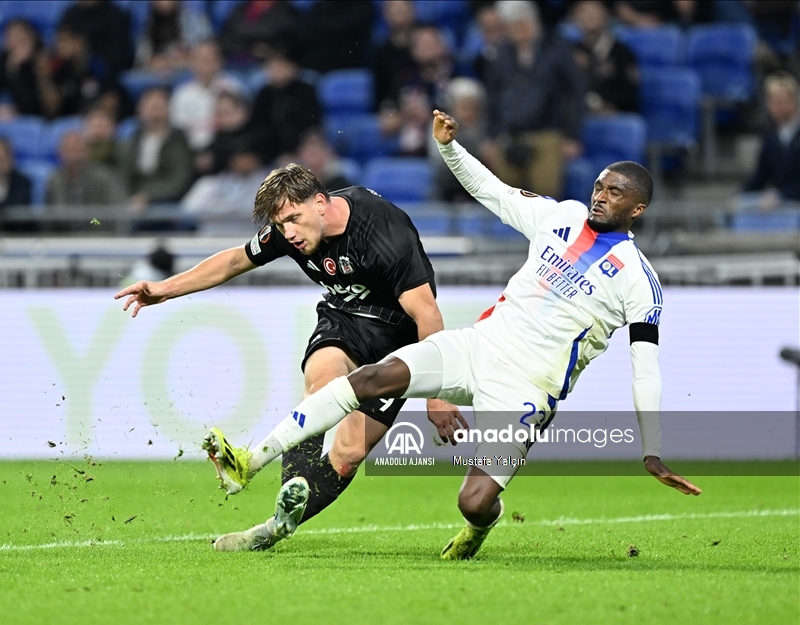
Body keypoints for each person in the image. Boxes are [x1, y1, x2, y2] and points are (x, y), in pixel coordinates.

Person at [206, 109, 702, 559]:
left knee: (474, 501)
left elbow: (646, 368)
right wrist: (448, 148)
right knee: (372, 379)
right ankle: (252, 459)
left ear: (637, 209)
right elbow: (493, 191)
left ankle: (482, 527)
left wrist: (651, 449)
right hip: (477, 347)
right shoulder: (562, 217)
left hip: (528, 387)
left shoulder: (640, 282)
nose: (600, 195)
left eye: (614, 192)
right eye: (599, 185)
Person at [116, 163, 461, 552]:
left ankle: (275, 526)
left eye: (294, 220)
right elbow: (234, 260)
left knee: (348, 454)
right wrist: (165, 289)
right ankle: (287, 491)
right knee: (322, 383)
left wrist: (438, 393)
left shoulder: (383, 232)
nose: (289, 234)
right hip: (344, 320)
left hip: (398, 336)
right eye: (281, 225)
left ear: (320, 203)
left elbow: (427, 314)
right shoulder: (290, 230)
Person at [485, 0, 585, 199]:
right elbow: (493, 97)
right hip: (509, 135)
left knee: (545, 196)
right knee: (507, 200)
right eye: (513, 26)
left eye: (523, 24)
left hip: (548, 134)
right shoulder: (502, 54)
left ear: (534, 22)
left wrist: (573, 136)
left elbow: (575, 93)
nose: (519, 30)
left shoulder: (557, 49)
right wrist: (491, 136)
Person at [116, 87, 194, 210]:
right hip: (133, 198)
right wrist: (128, 197)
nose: (155, 110)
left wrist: (147, 196)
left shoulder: (178, 141)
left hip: (167, 199)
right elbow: (123, 175)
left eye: (159, 106)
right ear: (140, 110)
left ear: (168, 109)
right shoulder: (132, 141)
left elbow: (179, 180)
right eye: (151, 106)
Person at [249, 45, 322, 163]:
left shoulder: (306, 91)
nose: (276, 70)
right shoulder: (264, 94)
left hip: (304, 153)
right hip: (271, 157)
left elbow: (312, 125)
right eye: (271, 66)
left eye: (280, 65)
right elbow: (259, 128)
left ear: (293, 66)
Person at [0, 20, 53, 125]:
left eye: (21, 38)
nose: (15, 43)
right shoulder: (3, 58)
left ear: (32, 38)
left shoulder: (42, 61)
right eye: (11, 38)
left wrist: (15, 72)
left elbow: (33, 106)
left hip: (38, 117)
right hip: (8, 113)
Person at [47, 130, 128, 232]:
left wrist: (90, 221)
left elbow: (112, 213)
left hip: (98, 233)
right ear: (60, 153)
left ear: (87, 151)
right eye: (69, 149)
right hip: (64, 236)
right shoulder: (54, 180)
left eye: (77, 149)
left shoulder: (104, 177)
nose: (73, 154)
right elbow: (49, 217)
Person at [169, 40, 242, 153]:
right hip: (190, 151)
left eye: (210, 59)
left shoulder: (232, 87)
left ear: (220, 61)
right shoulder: (182, 94)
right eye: (202, 59)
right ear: (192, 62)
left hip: (225, 149)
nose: (206, 63)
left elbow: (240, 123)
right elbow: (177, 127)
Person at [181, 142, 268, 232]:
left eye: (248, 157)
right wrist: (226, 210)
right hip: (211, 235)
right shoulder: (210, 183)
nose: (243, 162)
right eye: (239, 158)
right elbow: (189, 209)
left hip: (248, 235)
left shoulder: (266, 183)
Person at [572, 0, 639, 115]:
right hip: (579, 115)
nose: (589, 15)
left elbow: (629, 92)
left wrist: (602, 103)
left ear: (606, 15)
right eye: (583, 11)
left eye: (595, 11)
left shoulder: (622, 52)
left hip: (614, 116)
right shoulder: (570, 52)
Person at [742, 72, 800, 204]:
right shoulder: (771, 137)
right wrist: (742, 195)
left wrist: (783, 196)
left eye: (782, 100)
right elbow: (761, 174)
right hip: (782, 204)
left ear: (794, 100)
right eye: (773, 100)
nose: (778, 106)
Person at [134, 0, 213, 73]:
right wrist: (153, 62)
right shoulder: (146, 22)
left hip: (188, 71)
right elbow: (142, 58)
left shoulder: (193, 19)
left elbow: (204, 53)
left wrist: (173, 62)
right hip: (155, 73)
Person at [296, 0, 375, 73]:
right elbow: (305, 30)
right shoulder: (322, 6)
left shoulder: (362, 6)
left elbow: (343, 29)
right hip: (313, 57)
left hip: (345, 61)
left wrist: (319, 29)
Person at [58, 0, 135, 75]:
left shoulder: (116, 16)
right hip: (69, 73)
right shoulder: (70, 15)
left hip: (107, 76)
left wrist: (88, 60)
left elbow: (120, 57)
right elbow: (60, 46)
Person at [372, 0, 417, 111]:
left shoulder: (423, 43)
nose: (399, 11)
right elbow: (380, 91)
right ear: (385, 14)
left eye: (403, 8)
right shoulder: (380, 52)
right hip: (395, 108)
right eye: (394, 8)